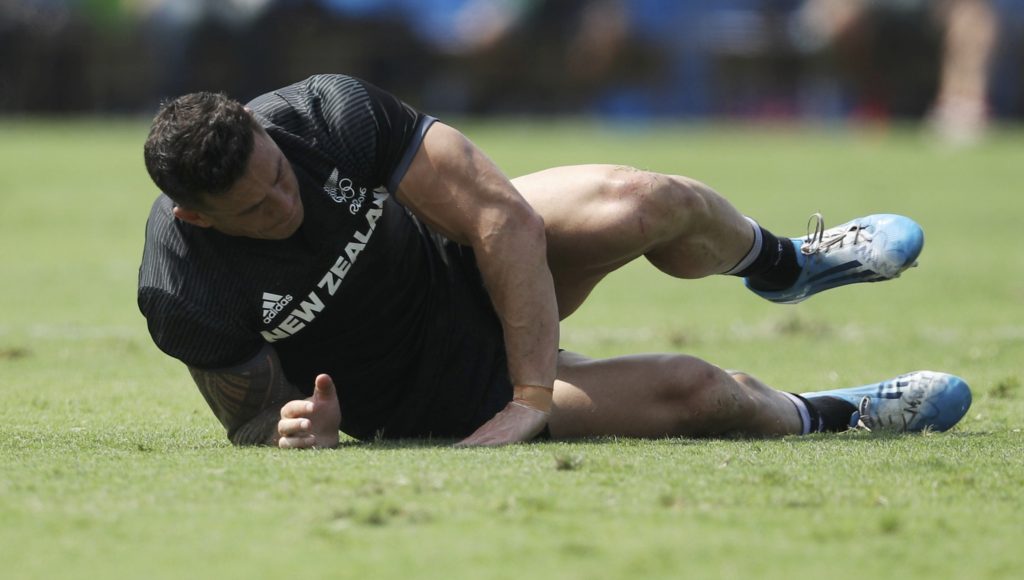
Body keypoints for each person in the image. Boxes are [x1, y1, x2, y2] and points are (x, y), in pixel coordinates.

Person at [139, 74, 971, 449]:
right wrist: (297, 431)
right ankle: (839, 414)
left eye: (278, 179)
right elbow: (249, 415)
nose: (283, 205)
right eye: (251, 211)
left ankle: (784, 263)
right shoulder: (184, 287)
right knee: (698, 389)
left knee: (649, 200)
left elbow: (501, 217)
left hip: (460, 258)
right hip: (436, 395)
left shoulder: (323, 115)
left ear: (263, 133)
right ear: (193, 214)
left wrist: (537, 394)